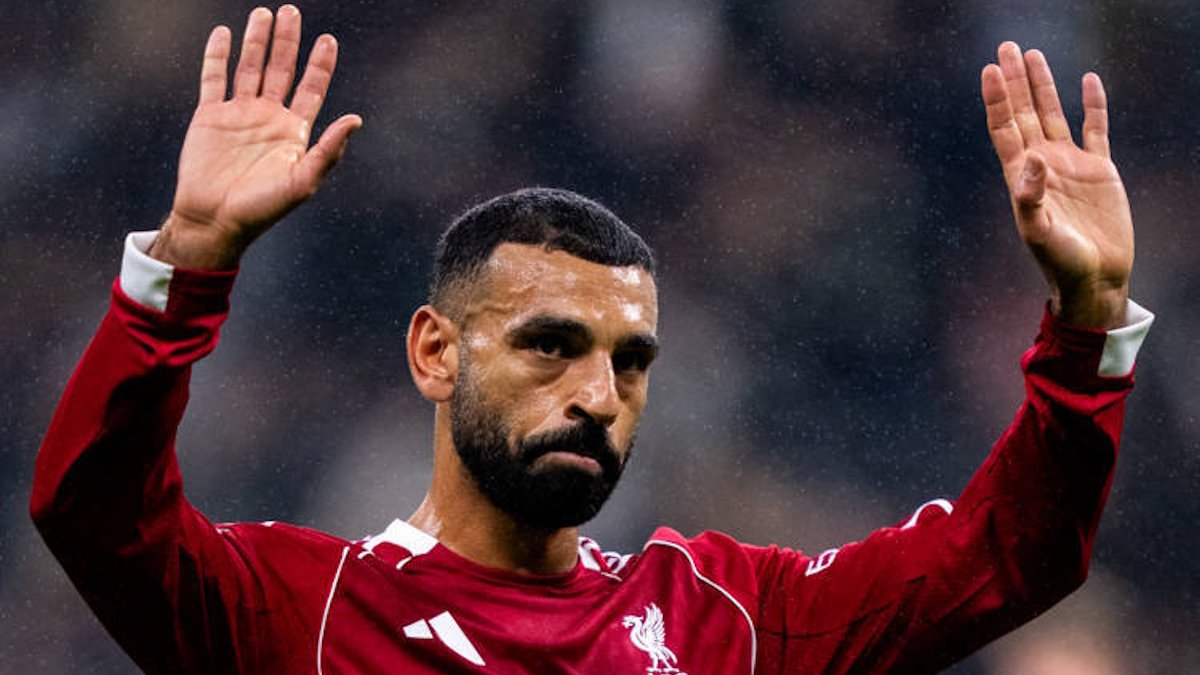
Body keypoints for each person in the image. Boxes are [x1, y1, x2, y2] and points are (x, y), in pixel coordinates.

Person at [31, 5, 1154, 674]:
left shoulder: (724, 620)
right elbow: (91, 510)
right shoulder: (301, 612)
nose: (599, 394)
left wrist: (1090, 314)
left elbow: (1015, 551)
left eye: (630, 361)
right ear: (434, 353)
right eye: (550, 346)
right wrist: (188, 258)